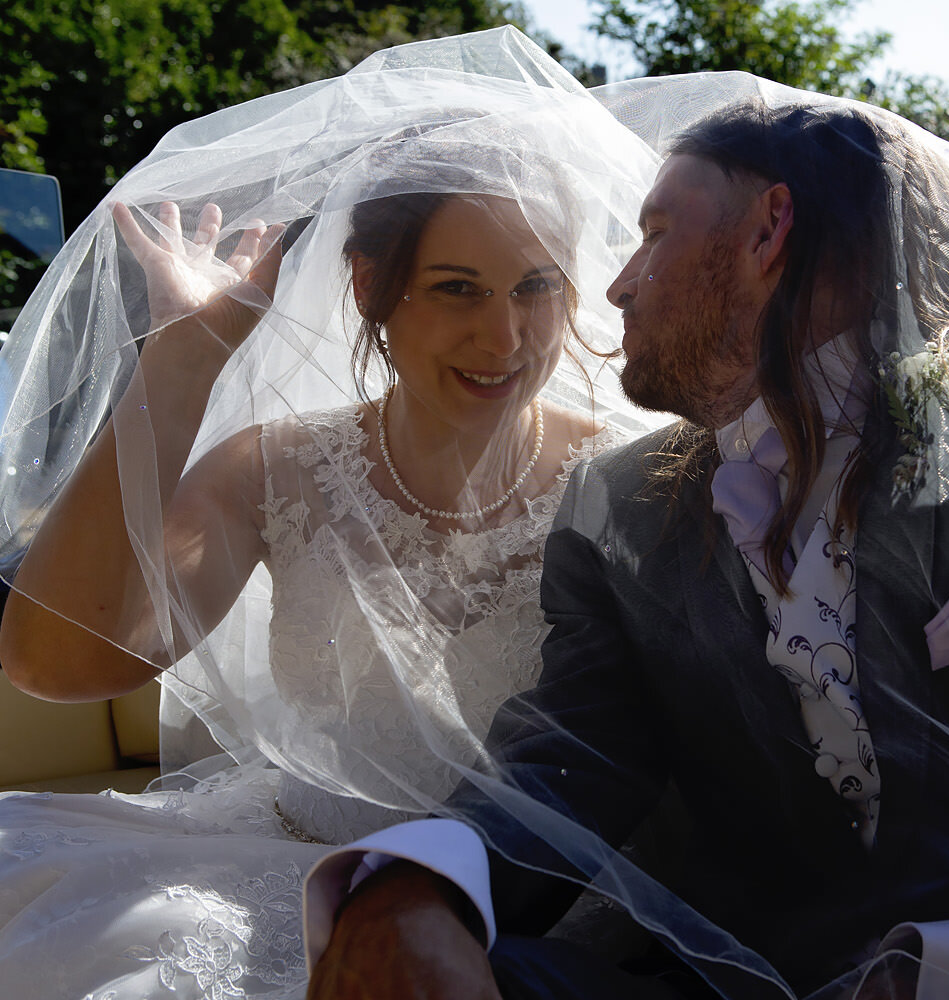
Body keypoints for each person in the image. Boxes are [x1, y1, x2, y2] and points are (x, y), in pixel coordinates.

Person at [304, 69, 949, 1000]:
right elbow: (564, 759)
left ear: (770, 231)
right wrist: (418, 889)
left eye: (658, 231)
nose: (620, 284)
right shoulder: (617, 514)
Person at [0, 29, 665, 999]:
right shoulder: (278, 469)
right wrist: (185, 356)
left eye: (536, 286)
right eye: (456, 289)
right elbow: (56, 662)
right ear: (370, 288)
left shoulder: (628, 481)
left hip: (529, 913)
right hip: (288, 867)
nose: (506, 335)